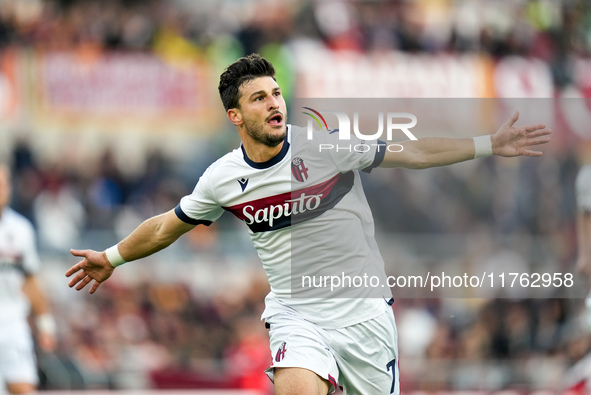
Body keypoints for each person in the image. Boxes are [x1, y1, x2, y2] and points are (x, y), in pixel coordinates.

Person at [66, 54, 551, 395]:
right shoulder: (222, 178)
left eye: (276, 93)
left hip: (364, 316)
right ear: (235, 116)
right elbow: (169, 225)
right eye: (259, 98)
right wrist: (110, 257)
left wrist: (489, 143)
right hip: (297, 315)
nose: (274, 103)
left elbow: (416, 151)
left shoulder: (327, 146)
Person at [0, 164, 57, 394]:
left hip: (12, 322)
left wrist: (45, 325)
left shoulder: (21, 229)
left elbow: (30, 279)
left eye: (3, 185)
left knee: (23, 387)